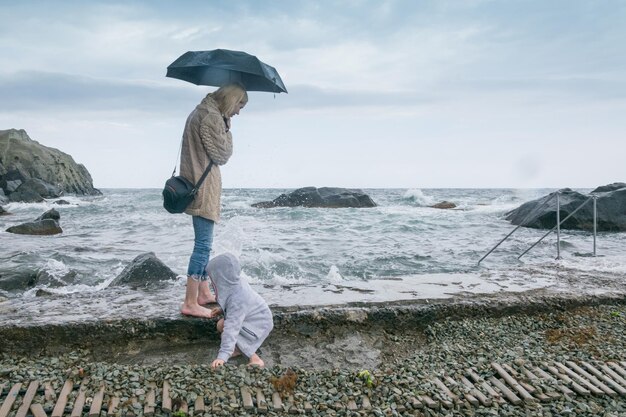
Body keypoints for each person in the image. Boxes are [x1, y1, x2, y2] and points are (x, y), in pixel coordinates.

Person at [179, 84, 248, 318]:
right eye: (239, 105)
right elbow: (222, 155)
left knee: (204, 242)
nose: (239, 111)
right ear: (231, 100)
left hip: (199, 182)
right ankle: (190, 301)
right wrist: (228, 128)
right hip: (203, 186)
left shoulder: (202, 113)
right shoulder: (210, 118)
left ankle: (203, 292)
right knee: (203, 245)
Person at [206, 253, 273, 368]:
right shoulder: (236, 283)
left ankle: (255, 358)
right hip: (255, 319)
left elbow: (232, 328)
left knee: (228, 329)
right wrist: (222, 309)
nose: (212, 282)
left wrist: (222, 356)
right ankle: (236, 350)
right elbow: (238, 307)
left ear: (222, 277)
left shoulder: (238, 298)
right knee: (221, 325)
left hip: (259, 325)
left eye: (213, 278)